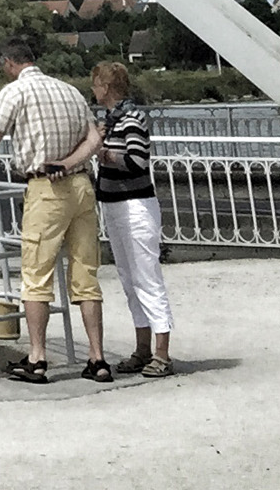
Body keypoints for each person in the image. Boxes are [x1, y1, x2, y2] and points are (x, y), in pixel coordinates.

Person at [0, 40, 110, 384]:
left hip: (45, 189)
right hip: (81, 186)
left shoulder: (14, 93)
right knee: (86, 277)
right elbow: (93, 139)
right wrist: (70, 162)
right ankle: (98, 358)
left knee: (36, 276)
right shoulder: (70, 91)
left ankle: (37, 358)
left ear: (9, 63)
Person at [90, 59, 173, 377]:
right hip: (115, 205)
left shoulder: (131, 117)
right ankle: (143, 349)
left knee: (147, 278)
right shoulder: (112, 119)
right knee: (129, 279)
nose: (94, 91)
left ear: (106, 86)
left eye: (95, 85)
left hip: (135, 205)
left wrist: (103, 153)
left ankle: (162, 353)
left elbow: (138, 160)